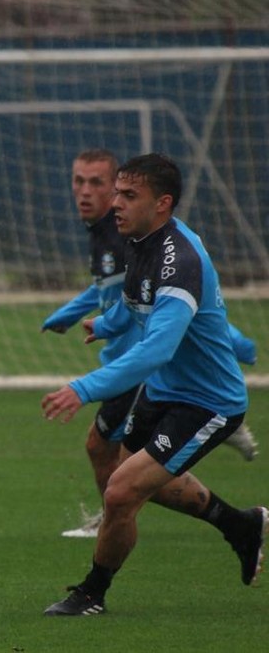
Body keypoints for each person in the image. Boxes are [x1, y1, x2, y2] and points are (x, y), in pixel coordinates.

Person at [41, 153, 267, 616]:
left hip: (208, 404)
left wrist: (82, 388)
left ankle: (91, 594)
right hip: (163, 391)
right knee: (136, 484)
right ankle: (241, 525)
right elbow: (133, 302)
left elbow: (155, 350)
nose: (115, 203)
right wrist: (106, 323)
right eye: (117, 192)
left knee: (121, 491)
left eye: (128, 195)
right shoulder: (138, 239)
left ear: (162, 203)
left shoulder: (179, 261)